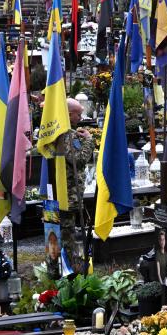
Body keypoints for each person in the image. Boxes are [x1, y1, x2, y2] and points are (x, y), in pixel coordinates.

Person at [57, 98, 95, 274]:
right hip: (69, 193)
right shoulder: (67, 135)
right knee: (68, 234)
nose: (81, 116)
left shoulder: (64, 133)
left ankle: (66, 265)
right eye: (78, 113)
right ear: (69, 114)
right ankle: (69, 269)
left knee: (67, 232)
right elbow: (77, 160)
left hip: (66, 192)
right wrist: (89, 140)